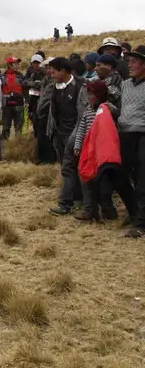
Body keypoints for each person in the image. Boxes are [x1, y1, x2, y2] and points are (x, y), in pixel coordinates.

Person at [74, 81, 135, 222]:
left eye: (91, 94)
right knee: (88, 182)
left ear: (99, 95)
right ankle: (91, 211)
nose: (89, 97)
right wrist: (78, 145)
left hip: (104, 154)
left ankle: (110, 212)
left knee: (105, 186)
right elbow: (81, 129)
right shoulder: (88, 110)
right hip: (90, 153)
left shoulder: (108, 110)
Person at [47, 57, 85, 216]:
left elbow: (83, 113)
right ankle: (78, 200)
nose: (51, 73)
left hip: (76, 134)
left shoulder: (80, 86)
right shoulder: (55, 87)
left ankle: (65, 204)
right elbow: (54, 112)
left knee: (69, 169)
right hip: (61, 134)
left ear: (63, 70)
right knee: (68, 167)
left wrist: (77, 136)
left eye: (54, 70)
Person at [119, 45, 145, 237]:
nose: (130, 64)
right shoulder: (125, 84)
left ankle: (141, 224)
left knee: (143, 178)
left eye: (134, 61)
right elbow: (123, 108)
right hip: (124, 134)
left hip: (143, 134)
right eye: (129, 61)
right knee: (117, 175)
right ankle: (135, 211)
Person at [1, 57, 25, 139]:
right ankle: (4, 147)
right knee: (5, 127)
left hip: (19, 105)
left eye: (18, 64)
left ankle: (18, 147)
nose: (17, 65)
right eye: (15, 64)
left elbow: (25, 88)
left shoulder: (21, 76)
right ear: (9, 65)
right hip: (7, 106)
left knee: (19, 128)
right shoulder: (3, 77)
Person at [23, 54, 45, 135]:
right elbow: (24, 83)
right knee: (33, 119)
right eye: (34, 63)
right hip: (32, 99)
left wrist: (33, 84)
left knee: (40, 120)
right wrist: (33, 84)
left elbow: (42, 85)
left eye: (38, 63)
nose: (36, 64)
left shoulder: (45, 72)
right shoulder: (30, 71)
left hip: (42, 100)